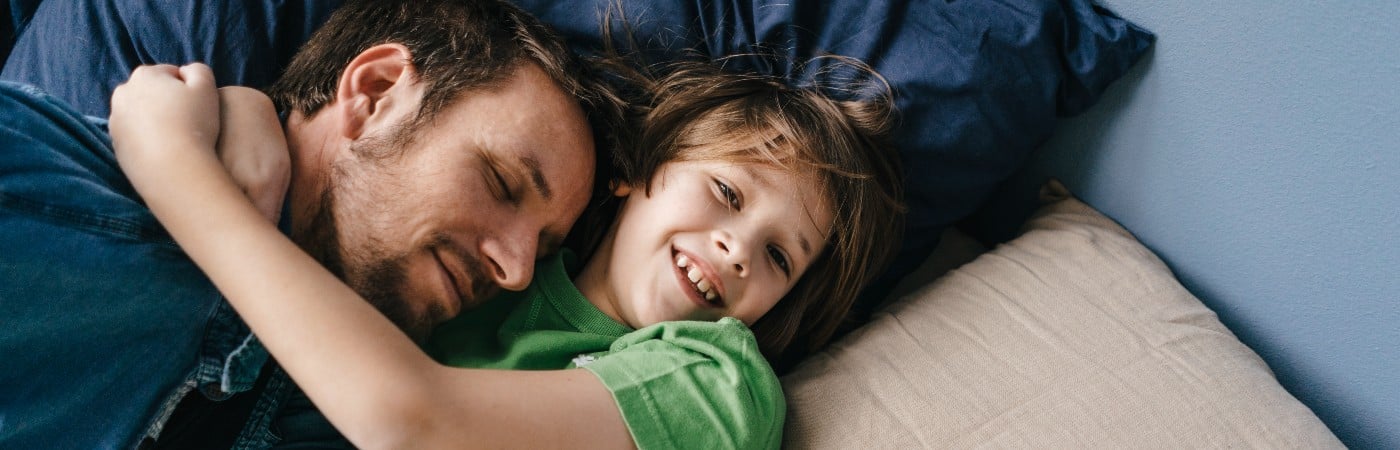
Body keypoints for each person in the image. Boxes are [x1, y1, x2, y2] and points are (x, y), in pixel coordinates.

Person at [108, 53, 905, 448]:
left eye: (779, 259)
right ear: (635, 171)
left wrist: (179, 171)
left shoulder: (719, 379)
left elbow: (412, 423)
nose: (737, 250)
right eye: (727, 194)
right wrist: (256, 118)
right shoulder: (490, 271)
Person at [0, 1, 624, 448]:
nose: (515, 272)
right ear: (375, 91)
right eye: (501, 182)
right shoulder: (49, 185)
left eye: (543, 253)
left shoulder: (352, 410)